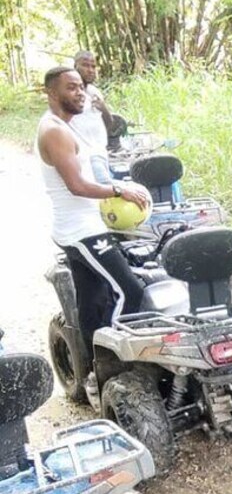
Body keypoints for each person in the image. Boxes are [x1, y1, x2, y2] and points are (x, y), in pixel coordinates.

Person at [36, 66, 149, 376]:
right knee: (130, 291)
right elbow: (77, 186)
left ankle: (94, 367)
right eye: (71, 88)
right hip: (81, 231)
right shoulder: (55, 131)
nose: (80, 92)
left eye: (81, 87)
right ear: (51, 93)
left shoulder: (64, 126)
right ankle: (121, 368)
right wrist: (118, 189)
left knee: (94, 297)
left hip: (81, 227)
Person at [70, 51, 116, 182]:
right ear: (75, 67)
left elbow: (109, 123)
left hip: (101, 154)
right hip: (86, 157)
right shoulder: (70, 96)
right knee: (108, 192)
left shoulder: (94, 92)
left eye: (93, 66)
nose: (90, 70)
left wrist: (104, 109)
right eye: (85, 65)